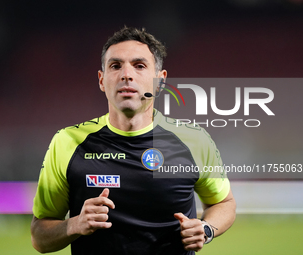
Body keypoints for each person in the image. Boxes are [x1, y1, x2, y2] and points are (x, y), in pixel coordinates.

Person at [31, 27, 236, 255]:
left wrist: (206, 229)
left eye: (139, 66)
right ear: (101, 80)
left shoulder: (194, 140)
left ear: (160, 81)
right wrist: (73, 225)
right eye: (115, 66)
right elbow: (40, 236)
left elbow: (224, 203)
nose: (126, 74)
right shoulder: (67, 142)